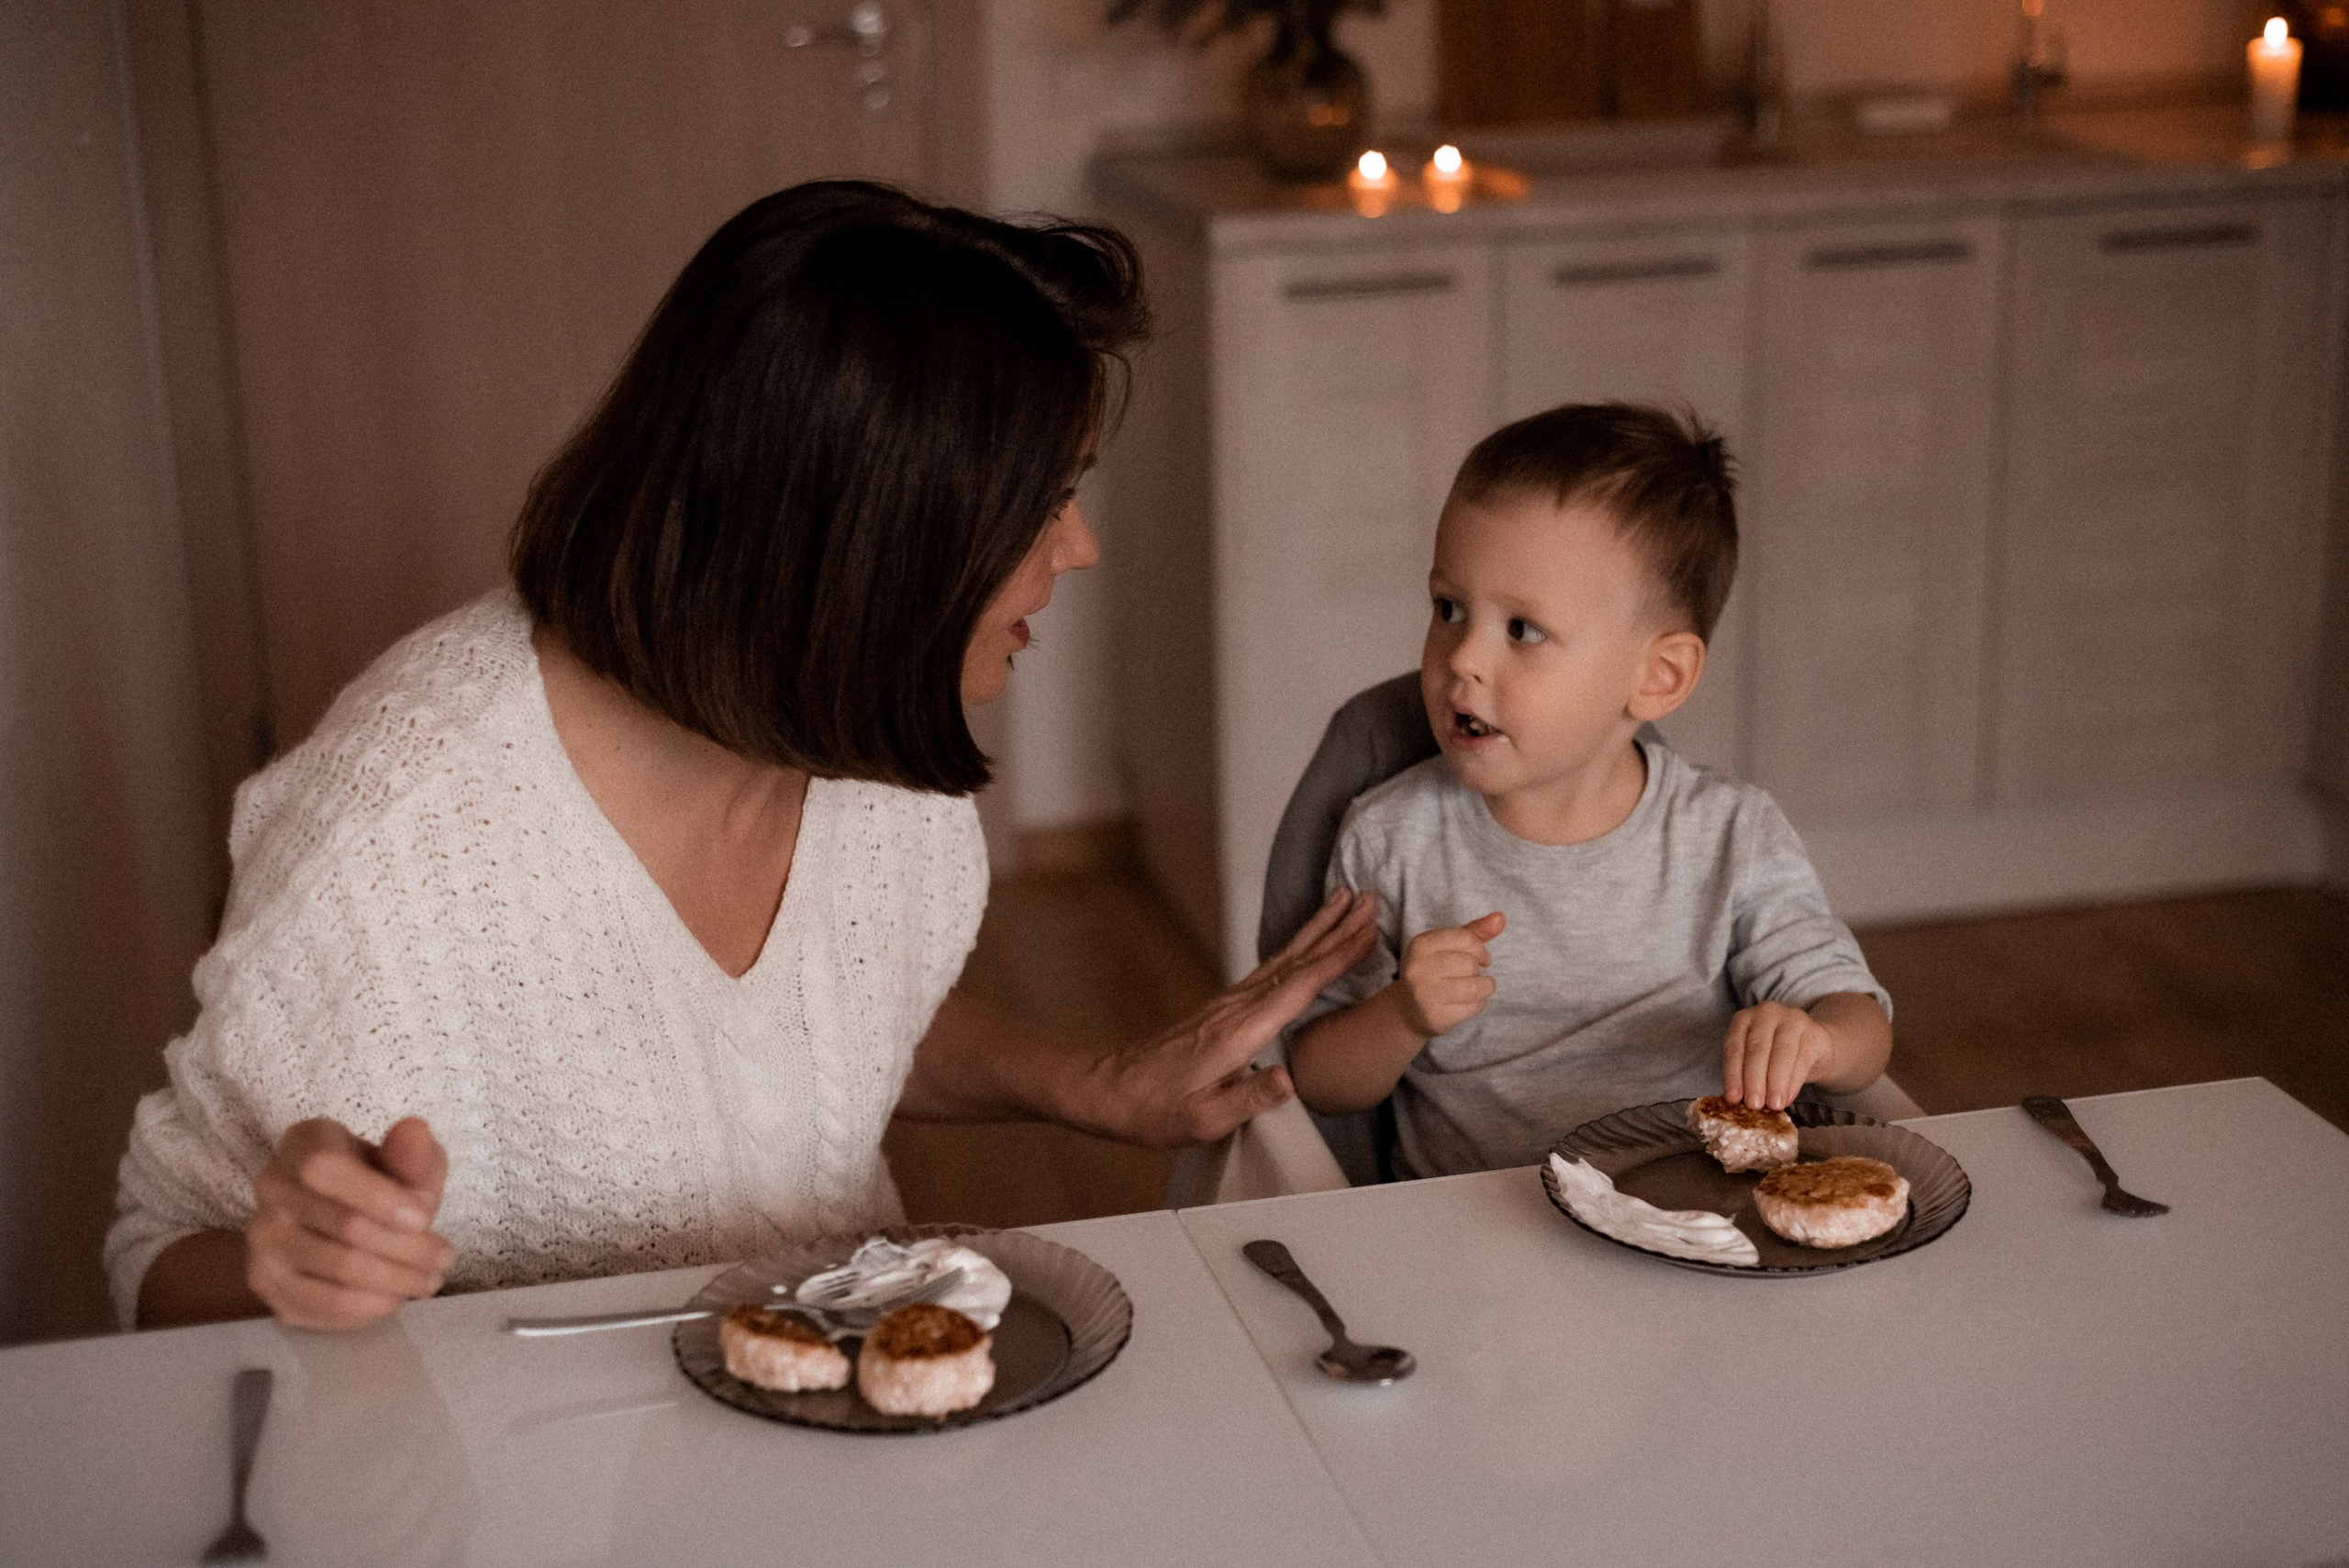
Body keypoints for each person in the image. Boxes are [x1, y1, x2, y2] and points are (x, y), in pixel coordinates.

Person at [111, 182, 1375, 1333]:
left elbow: (816, 1027)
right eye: (1042, 502)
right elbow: (157, 1244)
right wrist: (287, 1266)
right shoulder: (397, 847)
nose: (1081, 546)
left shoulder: (860, 732)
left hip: (826, 1404)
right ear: (867, 541)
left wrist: (1096, 1082)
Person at [1284, 403, 1891, 1178]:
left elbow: (1864, 1027)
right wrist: (1401, 1014)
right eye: (1448, 607)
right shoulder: (1391, 838)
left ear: (1657, 676)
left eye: (1522, 630)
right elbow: (1319, 1079)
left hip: (1688, 1225)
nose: (1462, 656)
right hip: (1472, 1240)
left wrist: (1818, 1039)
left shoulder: (1728, 836)